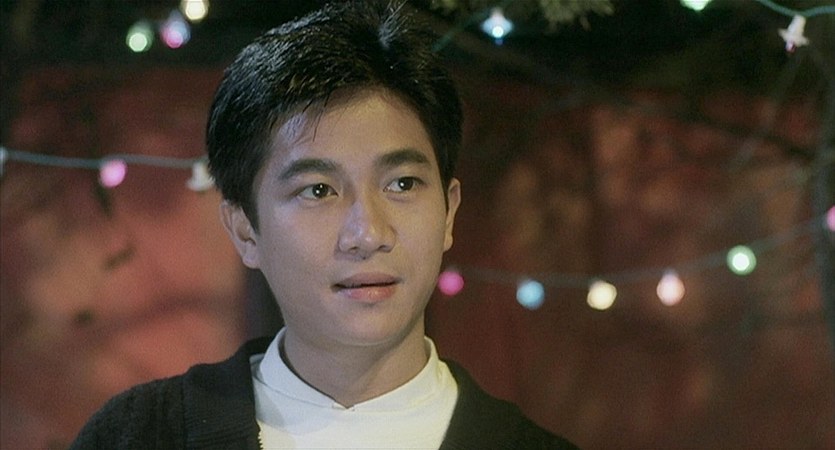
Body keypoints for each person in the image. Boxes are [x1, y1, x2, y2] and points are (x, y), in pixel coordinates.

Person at [70, 1, 579, 448]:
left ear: (449, 212)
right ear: (245, 229)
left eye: (402, 184)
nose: (368, 234)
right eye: (318, 190)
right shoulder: (140, 436)